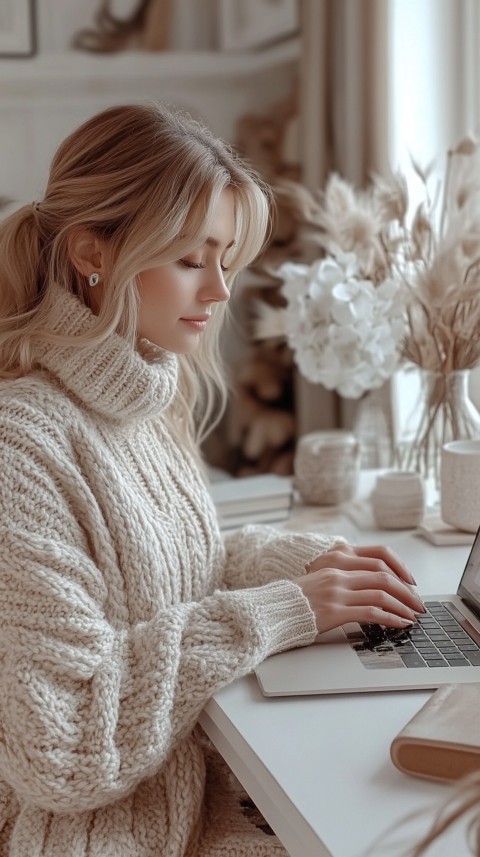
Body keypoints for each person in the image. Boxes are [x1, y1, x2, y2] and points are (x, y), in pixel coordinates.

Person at [0, 102, 425, 857]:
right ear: (92, 253)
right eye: (193, 260)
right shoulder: (20, 449)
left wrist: (311, 569)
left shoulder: (142, 394)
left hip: (196, 788)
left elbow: (171, 575)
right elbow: (62, 743)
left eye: (227, 259)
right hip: (110, 832)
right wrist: (285, 609)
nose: (222, 291)